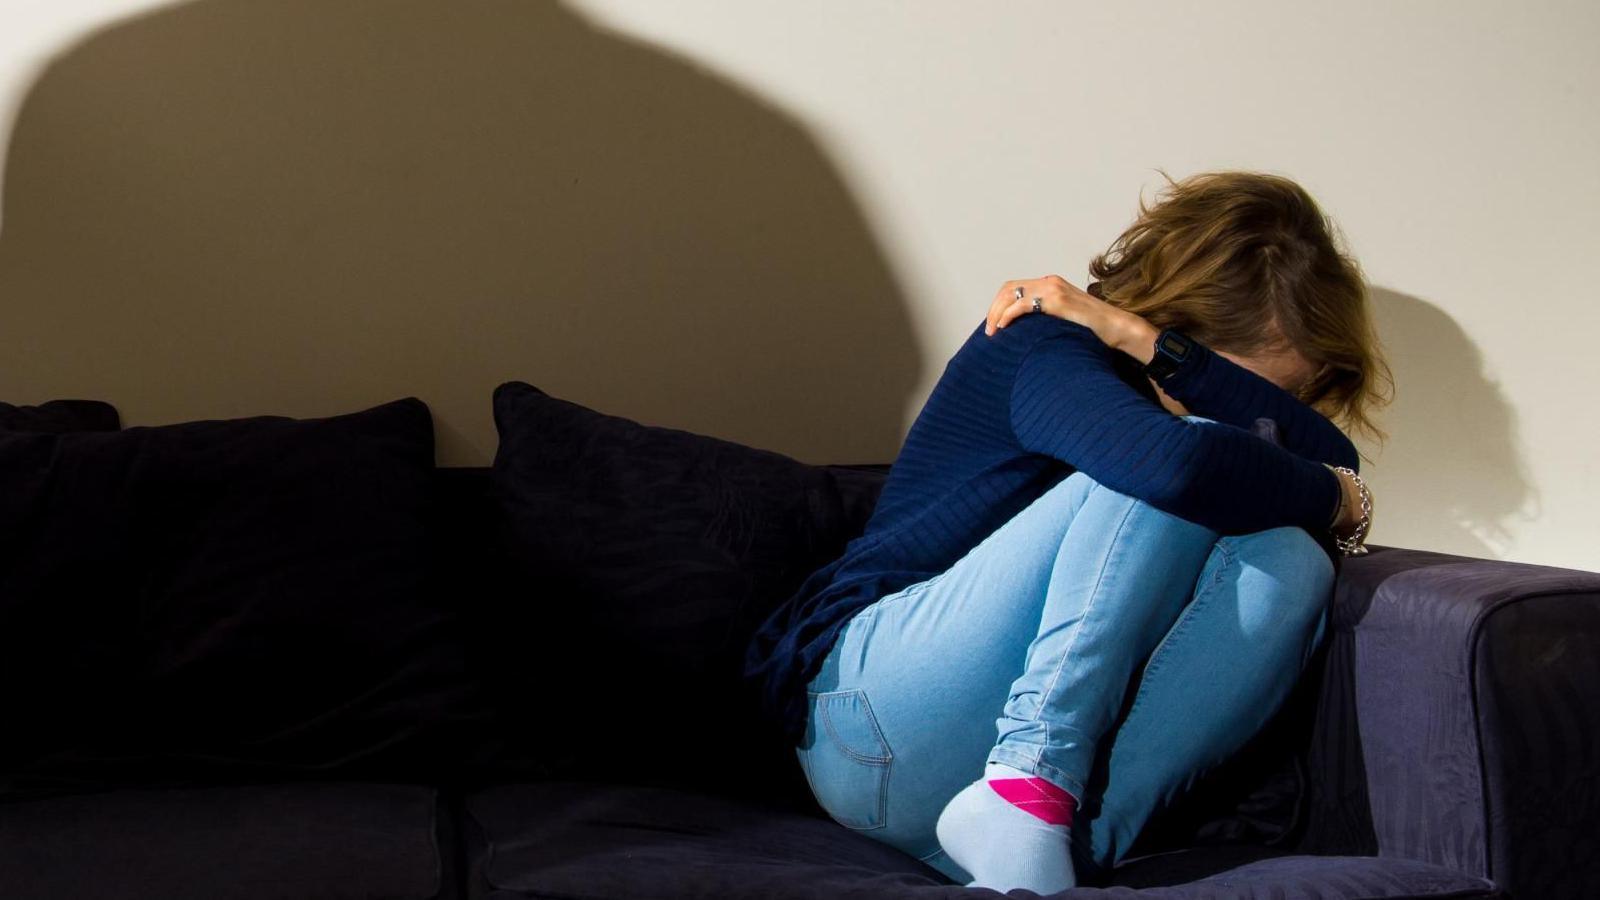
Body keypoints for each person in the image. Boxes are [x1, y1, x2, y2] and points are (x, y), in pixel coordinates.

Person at [742, 169, 1392, 893]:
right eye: (1269, 390)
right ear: (1186, 321)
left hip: (974, 791)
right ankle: (1029, 789)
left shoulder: (1150, 357)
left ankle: (1060, 856)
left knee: (1292, 559)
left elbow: (1334, 461)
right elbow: (1182, 468)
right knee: (1173, 470)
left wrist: (1157, 347)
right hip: (872, 720)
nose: (1263, 424)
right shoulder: (1040, 345)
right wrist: (1334, 494)